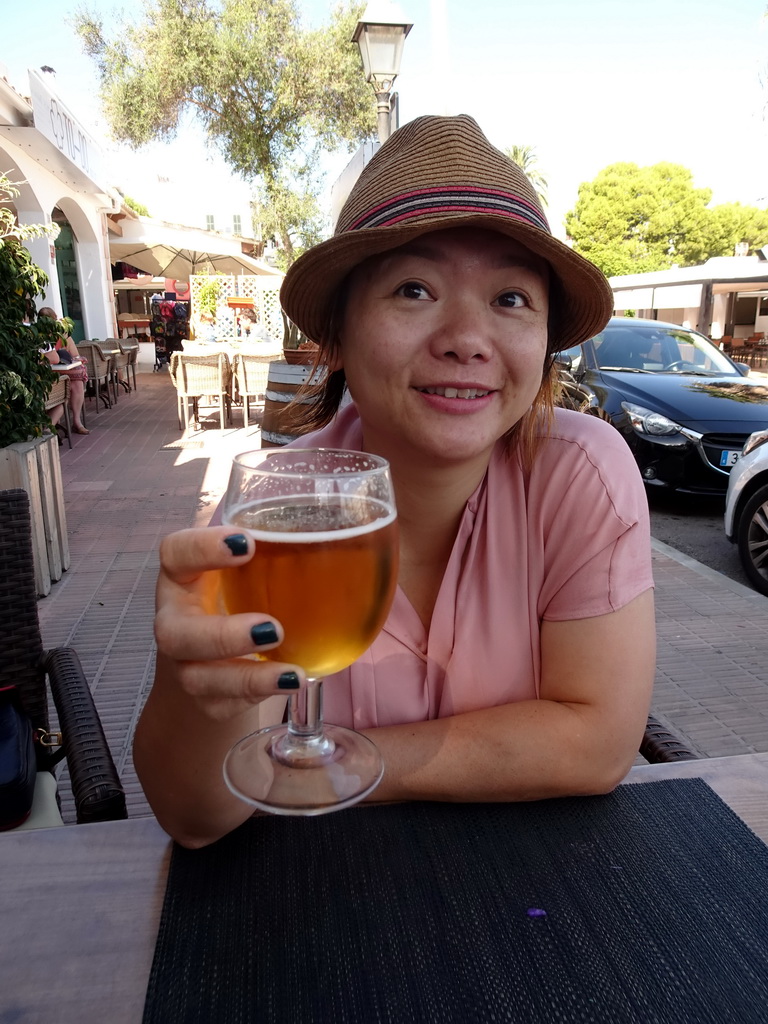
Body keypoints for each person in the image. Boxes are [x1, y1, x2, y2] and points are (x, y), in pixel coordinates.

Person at [136, 115, 656, 848]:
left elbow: (600, 744)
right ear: (338, 339)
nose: (467, 339)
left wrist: (352, 767)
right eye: (414, 289)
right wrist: (192, 685)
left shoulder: (582, 475)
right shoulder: (275, 507)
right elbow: (197, 820)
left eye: (510, 299)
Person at [38, 307, 89, 435]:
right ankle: (55, 422)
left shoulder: (63, 336)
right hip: (47, 376)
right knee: (64, 390)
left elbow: (76, 356)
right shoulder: (39, 338)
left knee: (76, 384)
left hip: (62, 373)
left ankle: (76, 422)